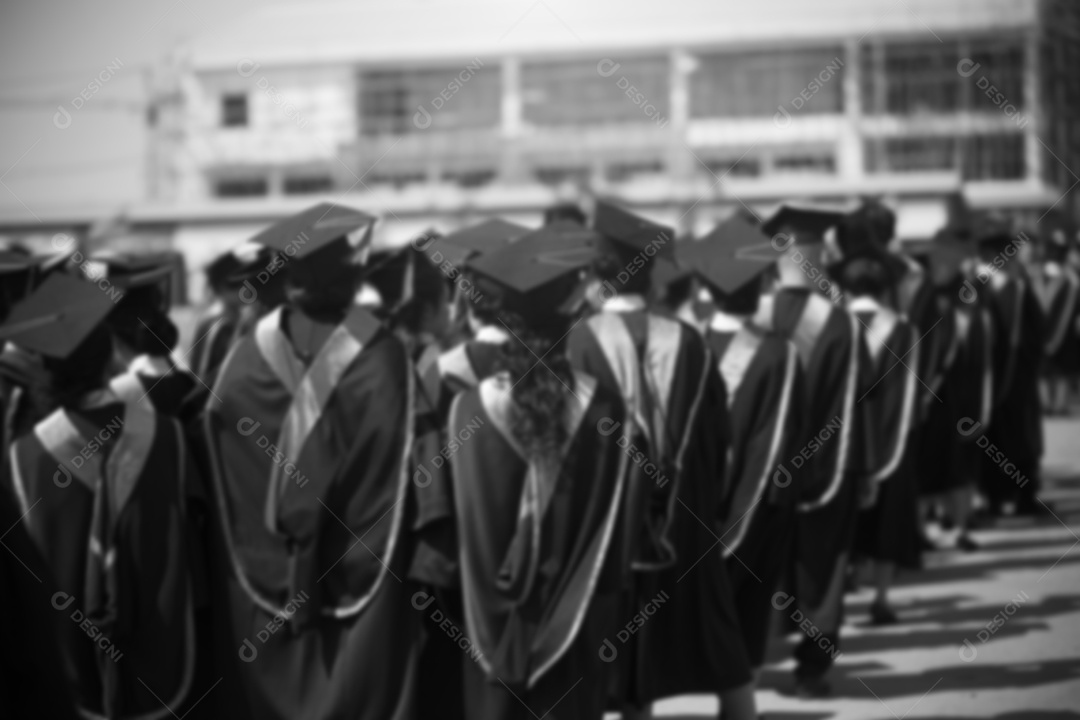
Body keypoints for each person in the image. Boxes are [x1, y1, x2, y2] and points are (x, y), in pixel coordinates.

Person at [201, 203, 422, 720]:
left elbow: (216, 467)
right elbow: (414, 467)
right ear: (351, 277)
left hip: (260, 579)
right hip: (362, 577)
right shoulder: (385, 356)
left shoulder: (239, 363)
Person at [568, 201, 756, 720]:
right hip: (688, 517)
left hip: (613, 523)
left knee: (625, 637)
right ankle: (741, 712)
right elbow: (719, 433)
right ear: (650, 279)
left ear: (595, 279)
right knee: (711, 627)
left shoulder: (577, 343)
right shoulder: (691, 342)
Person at [448, 221, 630, 720]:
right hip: (576, 620)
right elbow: (611, 532)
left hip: (489, 616)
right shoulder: (604, 407)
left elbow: (460, 525)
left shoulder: (466, 411)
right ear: (574, 315)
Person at [0, 272, 201, 719]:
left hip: (67, 647)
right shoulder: (165, 436)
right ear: (109, 355)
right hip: (157, 636)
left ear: (46, 369)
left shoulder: (27, 455)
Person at [676, 214, 805, 678]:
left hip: (696, 499)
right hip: (760, 499)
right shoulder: (779, 351)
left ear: (709, 289)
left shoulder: (690, 344)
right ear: (762, 288)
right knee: (749, 597)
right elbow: (788, 432)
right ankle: (739, 682)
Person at [756, 204, 878, 697]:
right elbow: (863, 398)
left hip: (761, 472)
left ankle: (746, 667)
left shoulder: (752, 318)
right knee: (822, 568)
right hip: (828, 467)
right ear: (818, 254)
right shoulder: (842, 323)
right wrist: (865, 468)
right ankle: (811, 671)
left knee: (761, 562)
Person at [832, 233, 922, 623]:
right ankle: (881, 599)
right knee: (888, 519)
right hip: (889, 439)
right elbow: (907, 390)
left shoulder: (830, 324)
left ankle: (836, 597)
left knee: (838, 523)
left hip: (838, 442)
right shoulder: (902, 328)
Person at [974, 218, 1045, 517]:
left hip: (1017, 381)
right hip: (985, 380)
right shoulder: (975, 289)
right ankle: (993, 496)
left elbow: (1036, 330)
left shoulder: (1020, 289)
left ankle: (1024, 496)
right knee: (990, 440)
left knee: (1022, 439)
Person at [1031, 218, 1079, 415]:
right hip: (1038, 332)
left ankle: (1059, 404)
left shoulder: (1072, 281)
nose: (1054, 253)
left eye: (1058, 250)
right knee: (1042, 369)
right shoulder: (1034, 275)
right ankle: (1044, 404)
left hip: (1065, 334)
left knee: (1062, 369)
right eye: (1051, 249)